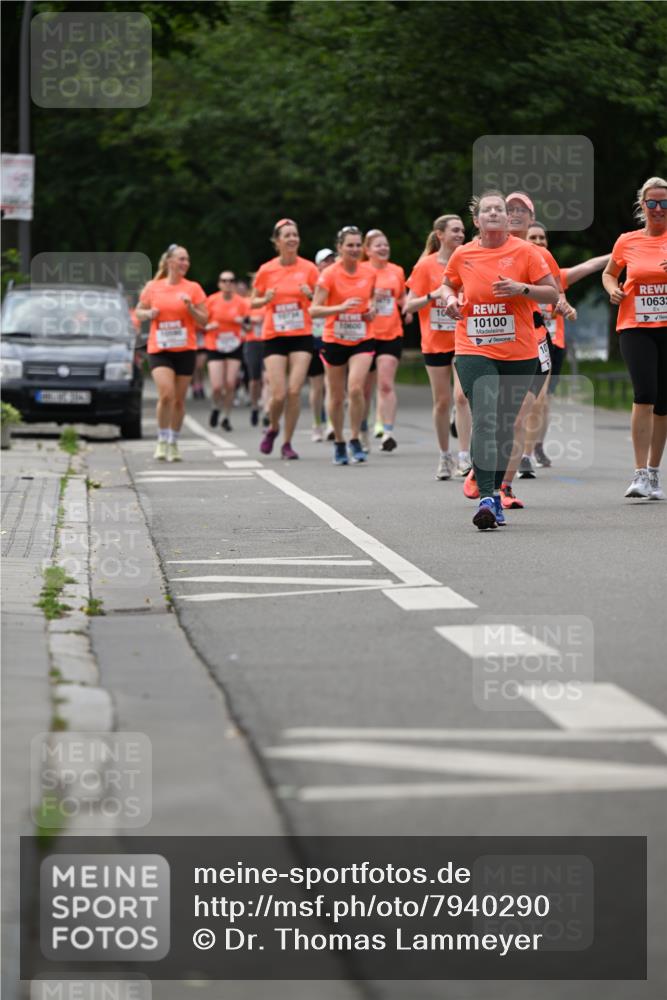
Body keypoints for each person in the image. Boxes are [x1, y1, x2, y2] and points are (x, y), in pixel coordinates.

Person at [439, 191, 558, 529]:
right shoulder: (463, 254)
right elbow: (447, 285)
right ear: (476, 221)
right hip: (474, 346)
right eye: (487, 210)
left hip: (520, 351)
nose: (494, 213)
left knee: (505, 424)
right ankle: (488, 498)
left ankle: (495, 486)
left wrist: (522, 289)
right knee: (486, 419)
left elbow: (551, 294)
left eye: (499, 210)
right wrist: (449, 300)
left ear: (508, 220)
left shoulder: (527, 252)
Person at [603, 175, 667, 500]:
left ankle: (655, 473)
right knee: (645, 394)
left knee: (664, 401)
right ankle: (640, 473)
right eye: (652, 203)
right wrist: (613, 290)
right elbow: (609, 272)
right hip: (635, 325)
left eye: (664, 203)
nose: (658, 208)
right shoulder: (627, 240)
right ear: (643, 206)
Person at [526, 221, 610, 467]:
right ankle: (523, 451)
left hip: (554, 345)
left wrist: (621, 250)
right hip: (527, 344)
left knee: (545, 400)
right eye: (534, 238)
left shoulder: (557, 276)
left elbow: (590, 265)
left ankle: (536, 446)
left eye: (543, 238)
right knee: (531, 399)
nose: (539, 242)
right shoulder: (518, 276)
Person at [403, 214, 472, 479]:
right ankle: (445, 456)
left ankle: (464, 457)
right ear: (439, 234)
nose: (460, 235)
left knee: (461, 397)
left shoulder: (469, 260)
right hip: (434, 341)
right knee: (442, 402)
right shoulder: (425, 266)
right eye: (455, 230)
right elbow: (409, 305)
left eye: (462, 231)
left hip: (463, 339)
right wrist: (434, 296)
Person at [251, 219, 319, 459]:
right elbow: (253, 301)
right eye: (287, 235)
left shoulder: (310, 269)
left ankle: (287, 443)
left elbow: (320, 303)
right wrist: (266, 299)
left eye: (295, 235)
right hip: (275, 336)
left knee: (293, 391)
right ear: (277, 241)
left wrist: (311, 296)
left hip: (301, 335)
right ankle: (273, 427)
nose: (292, 239)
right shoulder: (267, 270)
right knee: (278, 394)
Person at [310, 225, 377, 464]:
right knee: (337, 396)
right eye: (350, 245)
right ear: (340, 247)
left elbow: (372, 300)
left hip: (362, 336)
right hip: (334, 339)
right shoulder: (329, 275)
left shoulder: (368, 272)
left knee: (357, 388)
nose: (355, 249)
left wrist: (372, 309)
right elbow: (314, 310)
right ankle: (339, 440)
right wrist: (339, 308)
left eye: (358, 245)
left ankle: (356, 437)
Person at [136, 244, 207, 462]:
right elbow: (138, 312)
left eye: (187, 259)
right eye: (181, 259)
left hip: (185, 349)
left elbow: (204, 319)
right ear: (169, 262)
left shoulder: (193, 288)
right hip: (160, 349)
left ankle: (174, 441)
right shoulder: (153, 287)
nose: (185, 263)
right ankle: (162, 439)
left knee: (178, 401)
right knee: (166, 395)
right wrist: (149, 313)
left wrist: (190, 309)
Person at [361, 229, 406, 452]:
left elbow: (401, 297)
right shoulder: (361, 271)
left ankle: (388, 432)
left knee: (386, 384)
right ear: (367, 250)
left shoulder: (396, 270)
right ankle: (361, 432)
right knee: (363, 389)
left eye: (385, 244)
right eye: (378, 245)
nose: (383, 248)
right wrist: (370, 298)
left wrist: (406, 308)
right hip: (365, 335)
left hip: (391, 333)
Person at [203, 271, 249, 432]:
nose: (228, 283)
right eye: (224, 280)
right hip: (214, 344)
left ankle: (226, 417)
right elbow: (201, 322)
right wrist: (208, 326)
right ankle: (216, 406)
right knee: (217, 386)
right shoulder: (211, 301)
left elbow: (249, 326)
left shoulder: (242, 302)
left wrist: (243, 322)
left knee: (230, 384)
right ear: (219, 284)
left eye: (231, 280)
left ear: (234, 284)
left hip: (234, 345)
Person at [310, 248, 336, 441]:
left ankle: (330, 425)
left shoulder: (337, 280)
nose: (329, 263)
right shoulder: (310, 283)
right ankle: (317, 424)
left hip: (331, 336)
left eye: (332, 260)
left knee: (330, 384)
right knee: (317, 386)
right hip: (312, 337)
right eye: (325, 261)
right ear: (318, 265)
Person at [242, 275, 266, 427]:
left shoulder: (270, 299)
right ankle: (254, 406)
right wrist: (251, 322)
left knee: (268, 377)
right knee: (254, 379)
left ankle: (268, 409)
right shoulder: (247, 302)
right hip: (252, 342)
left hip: (269, 341)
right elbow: (242, 322)